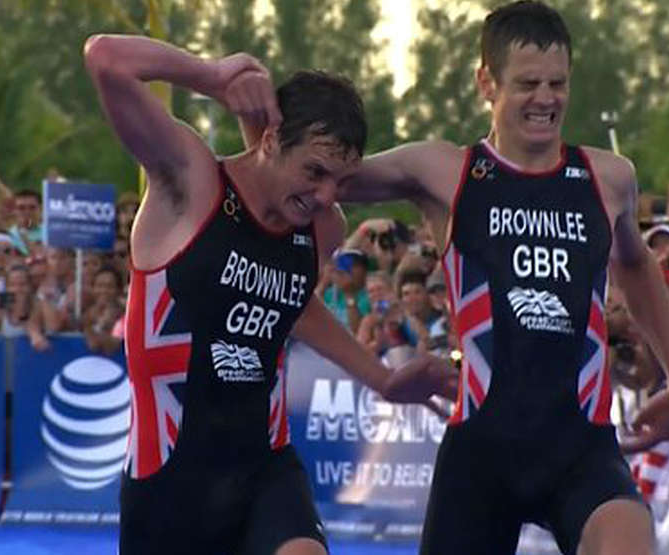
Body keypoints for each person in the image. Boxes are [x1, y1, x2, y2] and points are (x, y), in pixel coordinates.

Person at [242, 2, 669, 552]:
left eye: (558, 83)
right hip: (482, 455)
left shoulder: (609, 177)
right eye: (527, 84)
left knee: (631, 540)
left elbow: (636, 264)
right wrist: (261, 132)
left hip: (581, 448)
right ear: (486, 83)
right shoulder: (443, 171)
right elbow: (319, 174)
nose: (546, 99)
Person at [84, 34, 456, 555]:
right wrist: (211, 76)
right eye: (315, 172)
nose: (326, 196)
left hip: (265, 470)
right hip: (169, 482)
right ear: (270, 140)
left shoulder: (320, 228)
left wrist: (384, 380)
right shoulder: (191, 183)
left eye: (340, 181)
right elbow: (106, 59)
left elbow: (294, 305)